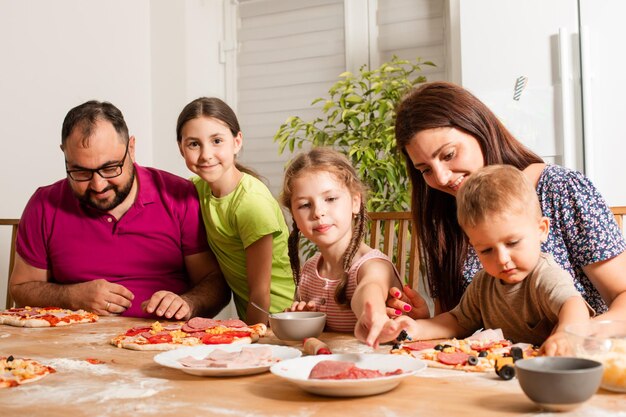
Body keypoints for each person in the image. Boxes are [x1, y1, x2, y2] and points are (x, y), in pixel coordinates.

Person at [386, 81, 626, 321]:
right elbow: (457, 322)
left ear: (478, 129)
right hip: (491, 357)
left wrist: (574, 334)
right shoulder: (444, 215)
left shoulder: (559, 188)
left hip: (575, 353)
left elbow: (622, 296)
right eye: (425, 169)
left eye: (449, 155)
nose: (442, 177)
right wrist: (423, 322)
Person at [10, 100, 231, 319]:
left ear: (131, 149)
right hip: (71, 346)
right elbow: (21, 288)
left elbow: (215, 282)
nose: (98, 185)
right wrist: (70, 296)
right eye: (80, 172)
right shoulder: (44, 204)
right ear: (64, 154)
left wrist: (188, 303)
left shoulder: (179, 196)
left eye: (110, 168)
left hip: (163, 341)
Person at [368, 165, 592, 355]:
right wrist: (414, 328)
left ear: (541, 230)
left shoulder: (544, 275)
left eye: (513, 243)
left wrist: (565, 335)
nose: (503, 259)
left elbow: (573, 305)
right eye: (486, 251)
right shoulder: (483, 283)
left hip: (553, 368)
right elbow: (456, 321)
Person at [176, 97, 294, 324]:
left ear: (237, 142)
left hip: (279, 320)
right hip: (253, 318)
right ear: (181, 149)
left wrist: (250, 340)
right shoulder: (197, 189)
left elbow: (261, 294)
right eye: (194, 144)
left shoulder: (251, 203)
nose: (205, 154)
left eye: (217, 141)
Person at [279, 147, 403, 338]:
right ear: (294, 216)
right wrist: (305, 319)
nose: (318, 212)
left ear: (355, 202)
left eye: (330, 199)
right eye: (305, 205)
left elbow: (370, 289)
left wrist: (374, 315)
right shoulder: (309, 271)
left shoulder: (374, 265)